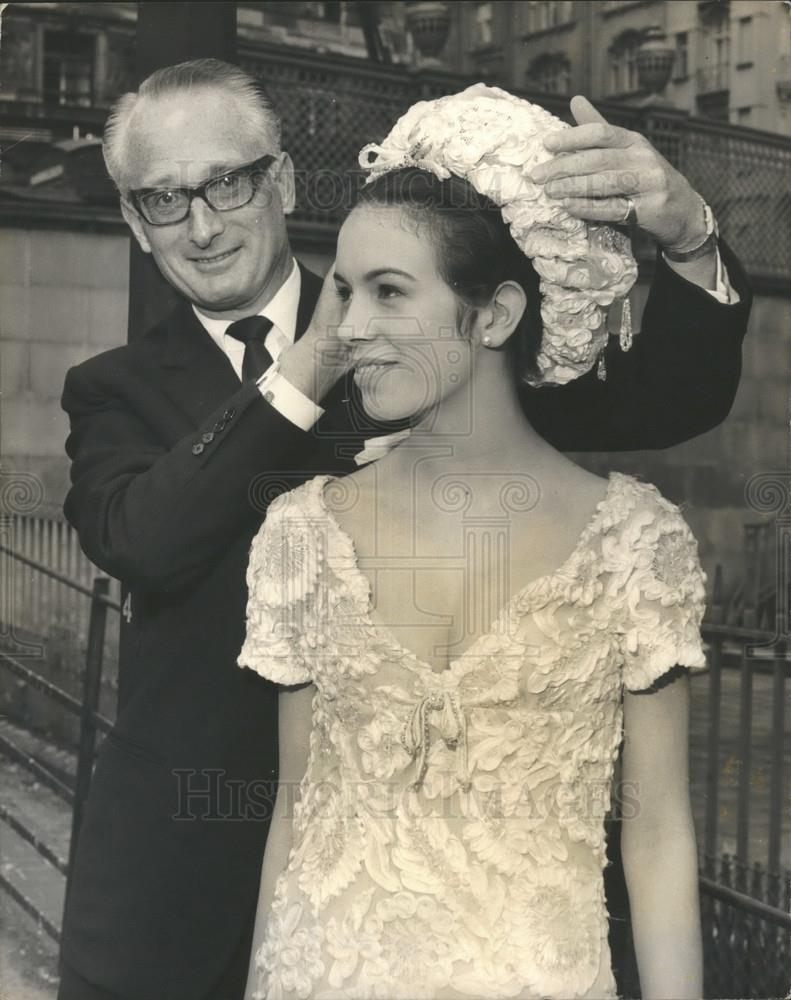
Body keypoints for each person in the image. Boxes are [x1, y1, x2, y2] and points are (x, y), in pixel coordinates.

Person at [57, 59, 749, 1000]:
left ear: (284, 181)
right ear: (135, 224)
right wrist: (312, 359)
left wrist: (687, 229)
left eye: (227, 181)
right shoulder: (112, 390)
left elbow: (669, 398)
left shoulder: (439, 325)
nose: (204, 223)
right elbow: (144, 539)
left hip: (456, 903)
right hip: (174, 889)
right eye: (165, 200)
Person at [238, 86, 706, 1000]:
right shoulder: (299, 531)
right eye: (342, 290)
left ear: (492, 316)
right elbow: (293, 811)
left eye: (388, 293)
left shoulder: (634, 546)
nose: (347, 330)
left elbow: (654, 834)